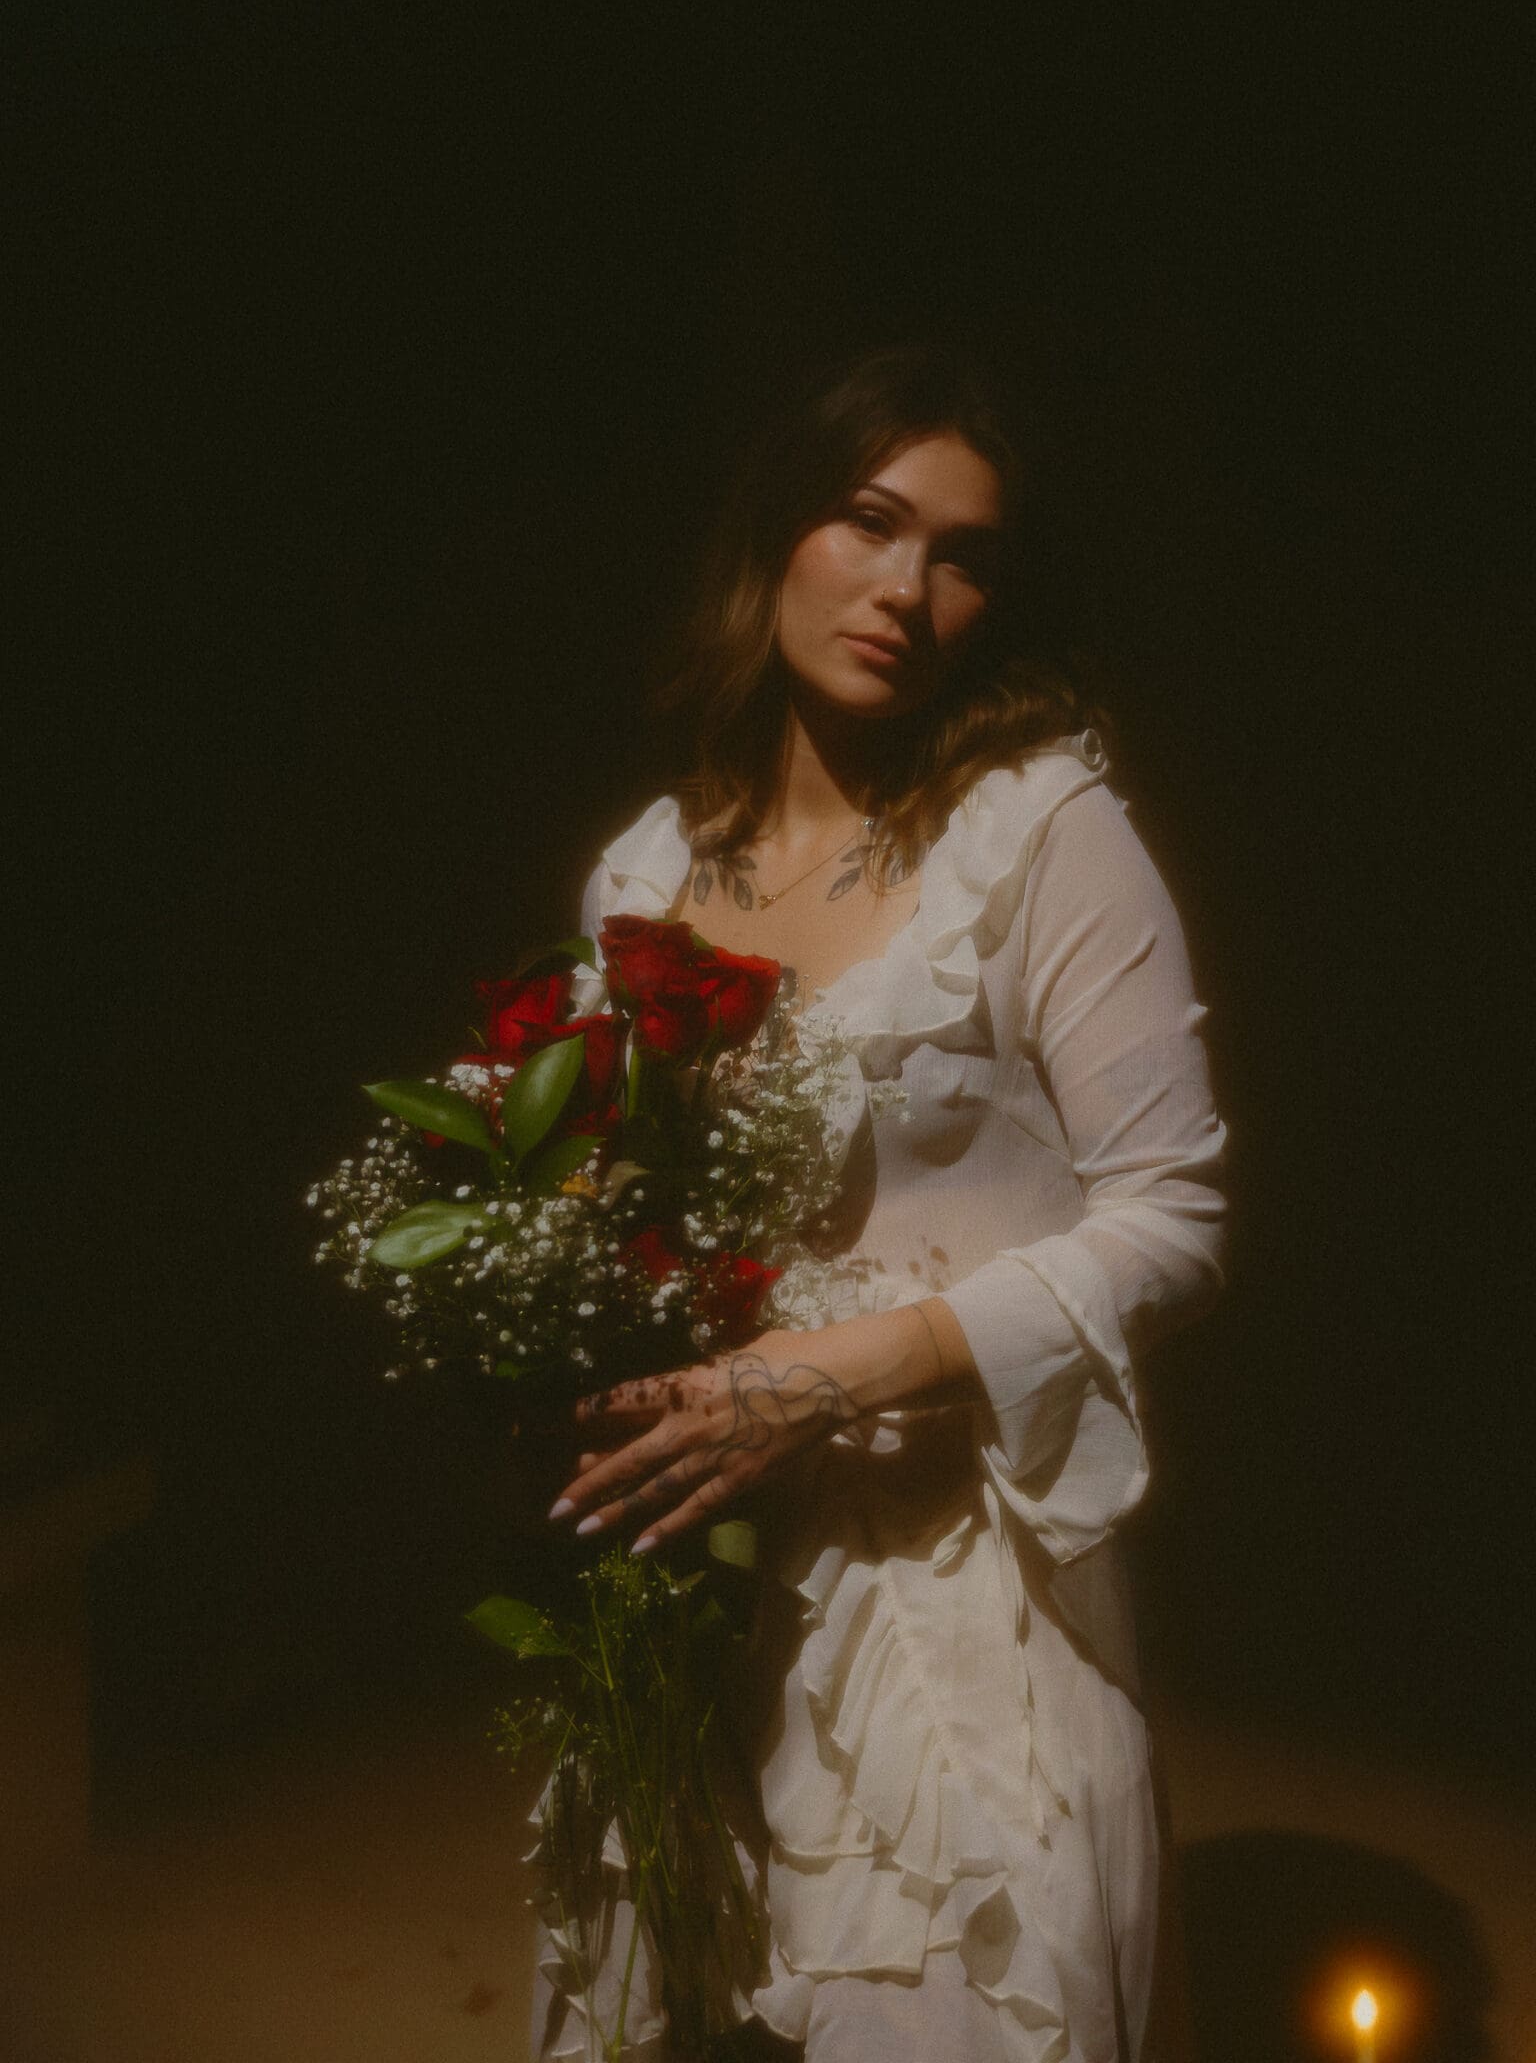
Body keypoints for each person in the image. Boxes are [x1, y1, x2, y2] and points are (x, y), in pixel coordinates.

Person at [533, 348, 1228, 2062]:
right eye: (870, 521)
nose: (909, 590)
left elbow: (1174, 1216)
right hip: (692, 1574)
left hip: (949, 1601)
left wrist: (841, 1371)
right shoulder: (645, 873)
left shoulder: (1037, 833)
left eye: (964, 557)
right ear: (779, 532)